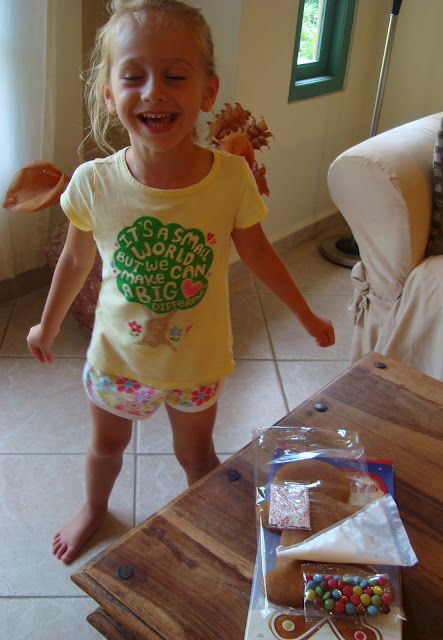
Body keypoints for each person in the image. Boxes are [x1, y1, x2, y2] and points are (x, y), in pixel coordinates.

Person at [27, 0, 335, 564]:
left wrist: (306, 315)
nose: (155, 92)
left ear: (208, 91)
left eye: (174, 75)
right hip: (118, 359)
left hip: (197, 362)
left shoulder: (231, 179)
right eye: (133, 76)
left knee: (197, 457)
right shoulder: (94, 183)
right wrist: (45, 326)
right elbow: (73, 264)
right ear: (107, 93)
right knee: (105, 447)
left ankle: (208, 517)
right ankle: (95, 508)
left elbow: (261, 253)